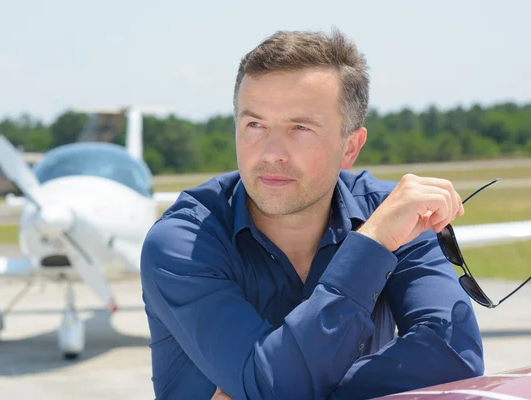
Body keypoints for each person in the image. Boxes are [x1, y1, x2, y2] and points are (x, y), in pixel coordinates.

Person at [140, 28, 484, 400]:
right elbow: (273, 388)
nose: (271, 152)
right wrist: (373, 245)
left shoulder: (390, 215)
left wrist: (281, 385)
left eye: (300, 128)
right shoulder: (183, 243)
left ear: (350, 147)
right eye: (254, 124)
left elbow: (455, 355)